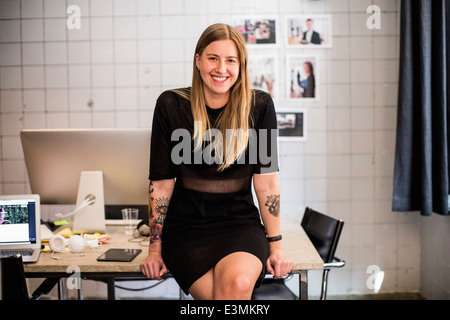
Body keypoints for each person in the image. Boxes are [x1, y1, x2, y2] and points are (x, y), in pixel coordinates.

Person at [140, 23, 292, 300]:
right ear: (198, 60)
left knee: (236, 285)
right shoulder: (171, 105)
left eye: (231, 60)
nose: (221, 69)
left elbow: (267, 181)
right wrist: (155, 249)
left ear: (240, 65)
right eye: (213, 58)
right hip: (186, 229)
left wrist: (276, 245)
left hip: (240, 224)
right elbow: (161, 184)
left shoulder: (259, 106)